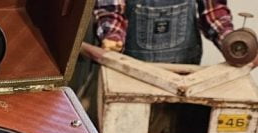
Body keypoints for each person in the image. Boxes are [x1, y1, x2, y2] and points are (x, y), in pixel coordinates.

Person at [93, 0, 236, 65]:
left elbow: (213, 12)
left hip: (185, 72)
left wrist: (232, 43)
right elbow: (111, 11)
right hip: (131, 69)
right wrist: (112, 37)